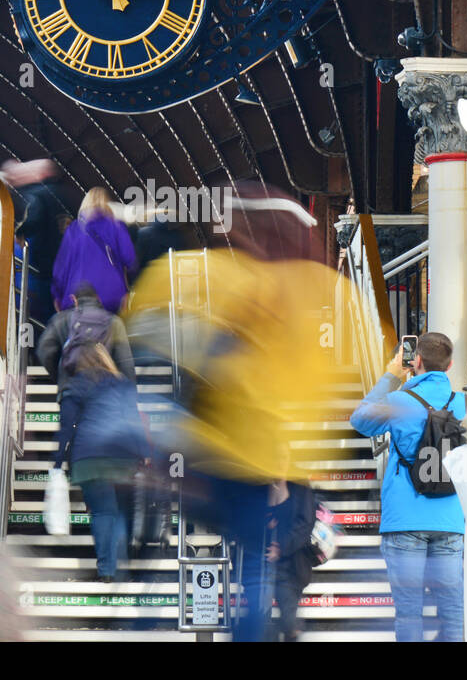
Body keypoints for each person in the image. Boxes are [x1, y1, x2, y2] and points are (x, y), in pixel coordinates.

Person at [126, 182, 359, 641]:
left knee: (173, 545)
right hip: (254, 462)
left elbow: (144, 320)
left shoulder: (218, 273)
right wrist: (289, 472)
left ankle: (142, 614)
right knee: (254, 571)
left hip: (204, 453)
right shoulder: (306, 294)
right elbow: (321, 387)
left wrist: (205, 353)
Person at [349, 332, 465, 642]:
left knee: (410, 613)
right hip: (450, 519)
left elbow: (360, 420)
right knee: (453, 614)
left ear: (416, 361)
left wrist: (391, 374)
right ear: (450, 365)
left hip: (405, 519)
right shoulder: (464, 403)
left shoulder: (399, 401)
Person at [53, 343, 151, 583]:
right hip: (121, 454)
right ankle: (121, 567)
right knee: (118, 512)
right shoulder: (123, 384)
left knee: (102, 512)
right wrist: (144, 452)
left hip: (89, 457)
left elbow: (66, 427)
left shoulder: (74, 386)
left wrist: (56, 462)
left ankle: (106, 570)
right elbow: (132, 420)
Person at [3, 159, 75, 327]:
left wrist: (19, 232)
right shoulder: (65, 194)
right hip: (65, 259)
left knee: (43, 305)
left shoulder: (37, 194)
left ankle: (43, 338)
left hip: (43, 261)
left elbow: (34, 219)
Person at [37, 283, 135, 400]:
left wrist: (61, 375)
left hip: (71, 389)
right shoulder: (114, 322)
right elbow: (125, 361)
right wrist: (130, 398)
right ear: (98, 299)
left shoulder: (61, 320)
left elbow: (44, 350)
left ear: (74, 299)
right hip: (105, 391)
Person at [52, 187, 136, 314]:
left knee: (77, 331)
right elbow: (130, 259)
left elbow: (62, 267)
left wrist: (57, 295)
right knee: (110, 332)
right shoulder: (116, 226)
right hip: (111, 296)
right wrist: (128, 288)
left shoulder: (73, 230)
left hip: (76, 296)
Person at [268, 479, 316, 641]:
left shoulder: (300, 485)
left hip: (291, 564)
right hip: (260, 562)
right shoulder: (261, 482)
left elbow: (305, 523)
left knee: (289, 621)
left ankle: (291, 631)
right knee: (261, 619)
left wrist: (281, 547)